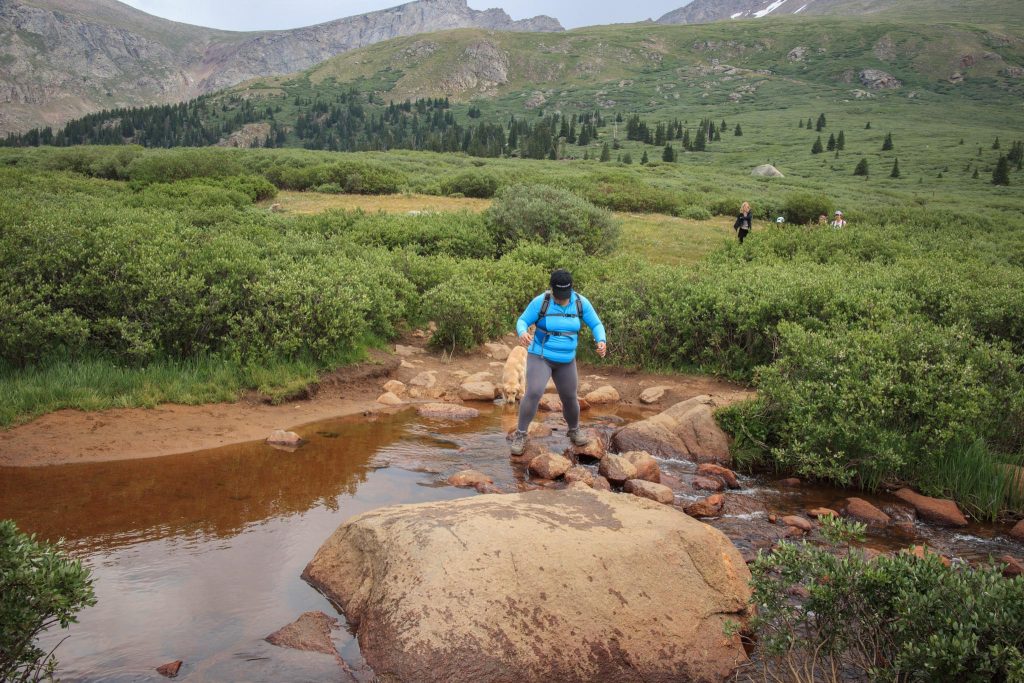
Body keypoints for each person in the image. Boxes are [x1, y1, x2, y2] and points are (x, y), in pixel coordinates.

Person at [508, 269, 607, 456]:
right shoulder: (542, 302)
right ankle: (520, 434)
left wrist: (601, 340)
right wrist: (522, 333)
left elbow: (596, 324)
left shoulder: (579, 302)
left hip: (567, 360)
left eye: (566, 295)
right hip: (541, 356)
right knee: (534, 392)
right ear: (552, 290)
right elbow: (522, 320)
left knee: (569, 397)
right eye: (559, 296)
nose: (562, 300)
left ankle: (574, 430)